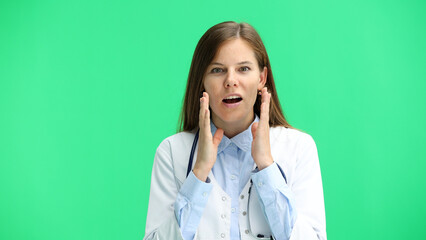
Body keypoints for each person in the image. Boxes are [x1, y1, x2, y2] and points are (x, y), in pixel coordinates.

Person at [144, 21, 326, 240]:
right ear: (203, 81)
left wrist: (268, 167)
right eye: (217, 70)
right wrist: (199, 173)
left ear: (261, 78)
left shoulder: (299, 148)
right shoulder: (172, 152)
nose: (230, 81)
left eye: (243, 69)